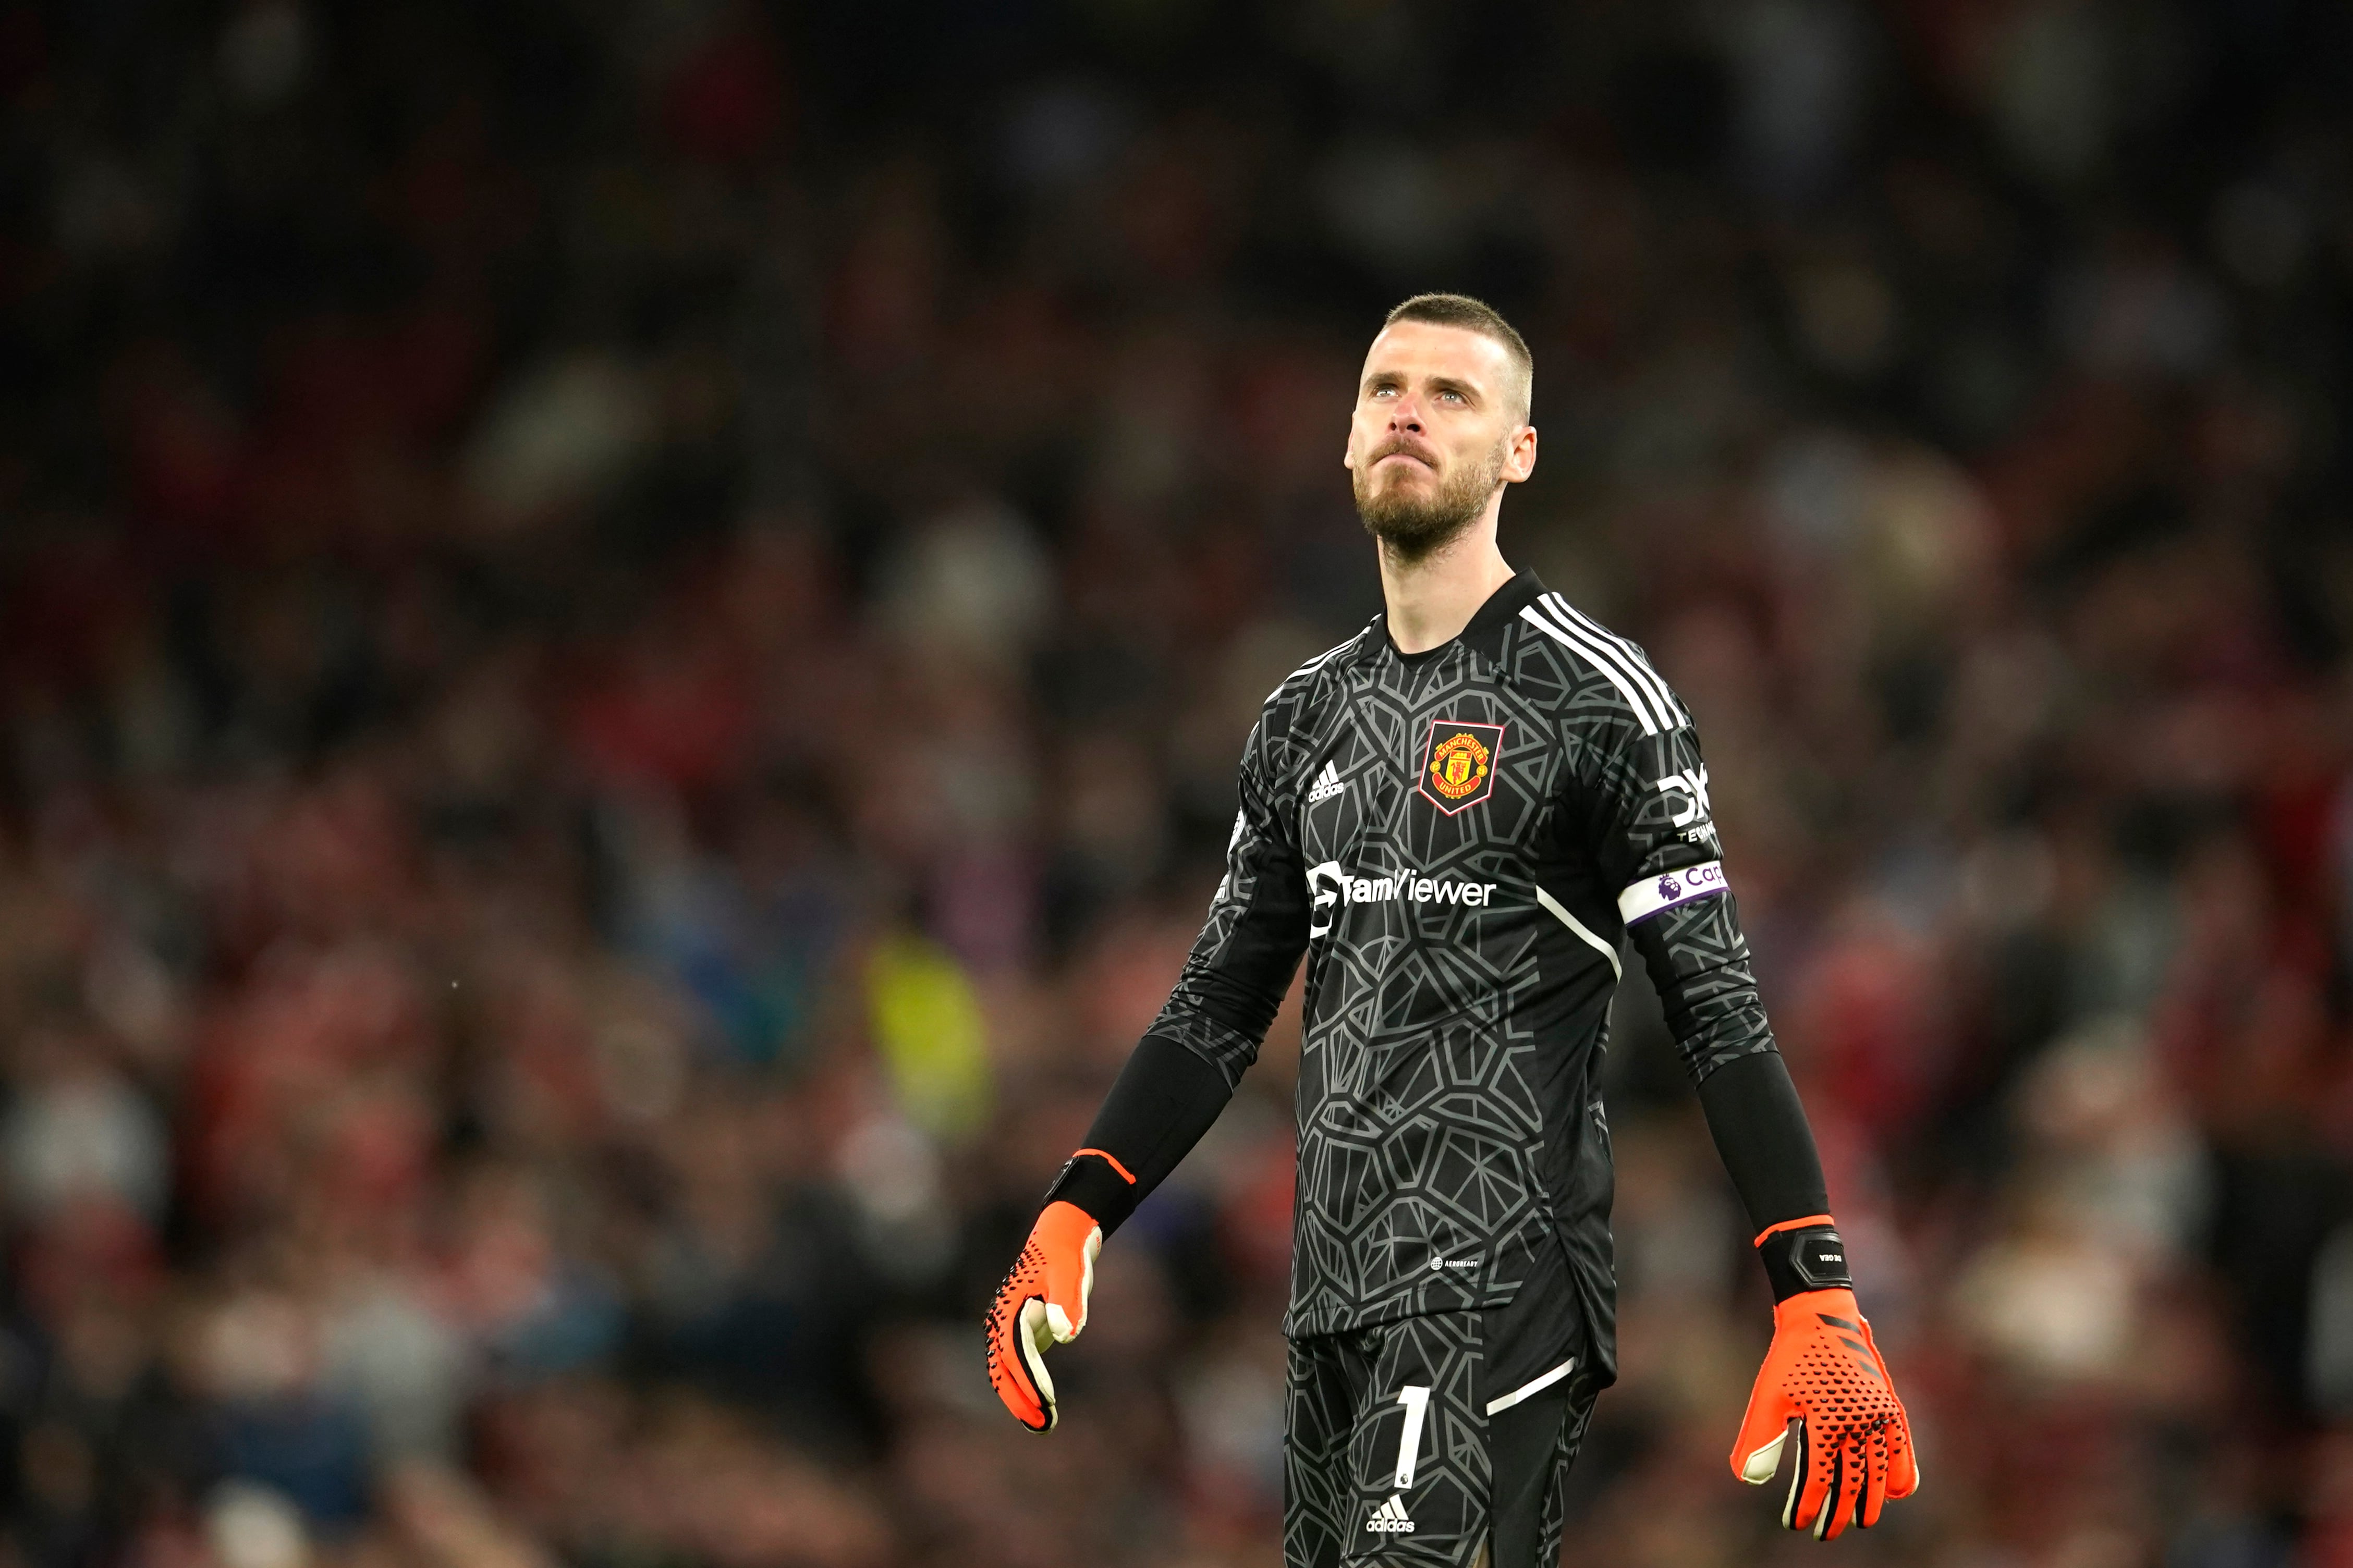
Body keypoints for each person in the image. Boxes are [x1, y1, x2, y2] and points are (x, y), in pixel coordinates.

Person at [984, 294, 1918, 1566]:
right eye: (1385, 390)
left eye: (1454, 394)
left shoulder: (1599, 699)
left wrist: (1815, 1293)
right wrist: (1078, 1208)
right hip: (1332, 1297)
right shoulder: (1305, 718)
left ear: (1518, 453)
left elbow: (1720, 1011)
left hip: (1499, 1278)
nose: (1410, 412)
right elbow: (1217, 1005)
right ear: (1350, 437)